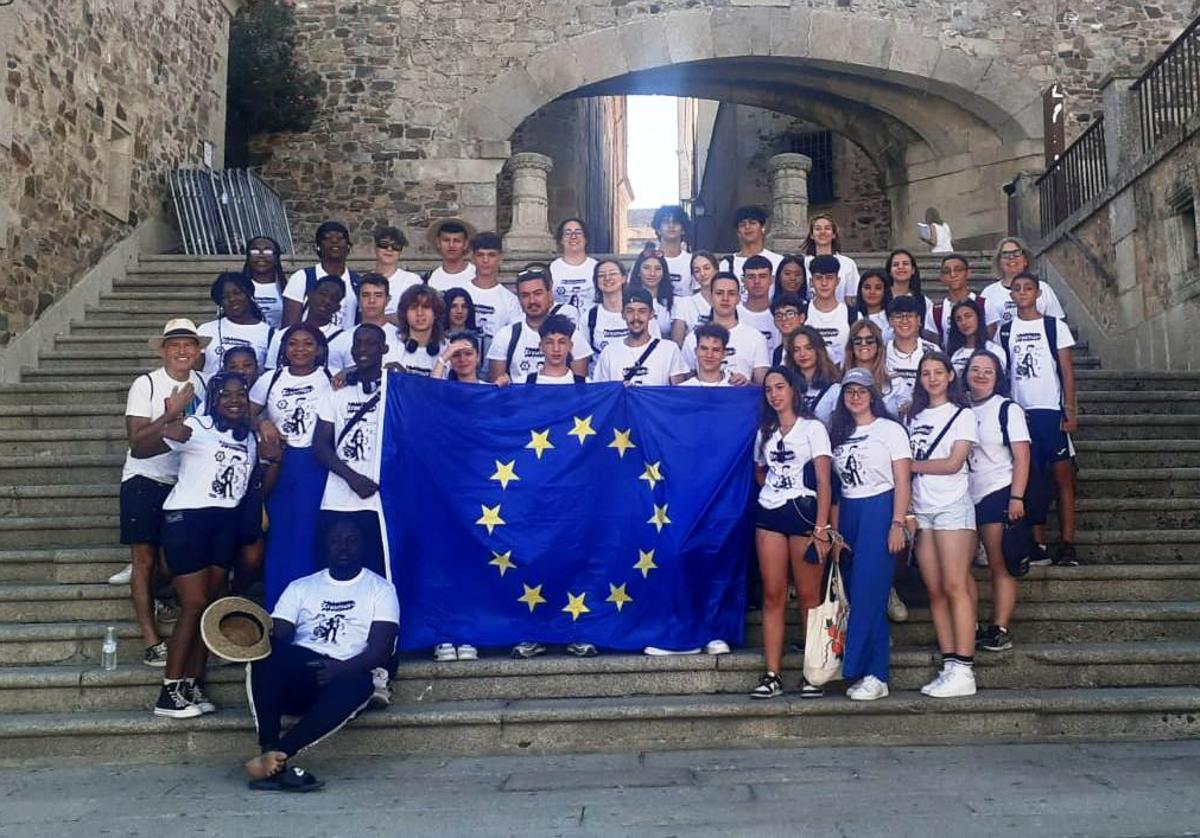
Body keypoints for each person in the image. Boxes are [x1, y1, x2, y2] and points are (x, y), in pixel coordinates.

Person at [132, 372, 276, 718]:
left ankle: (192, 683)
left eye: (240, 395)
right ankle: (169, 691)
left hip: (224, 523)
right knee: (194, 604)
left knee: (210, 606)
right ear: (214, 399)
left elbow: (257, 486)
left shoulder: (249, 438)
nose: (234, 401)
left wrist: (272, 459)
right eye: (226, 395)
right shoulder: (197, 425)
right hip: (188, 521)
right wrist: (168, 420)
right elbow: (139, 447)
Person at [244, 518, 399, 792]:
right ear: (325, 545)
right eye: (337, 540)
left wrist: (340, 669)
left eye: (352, 540)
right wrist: (243, 637)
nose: (344, 547)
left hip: (345, 671)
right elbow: (277, 636)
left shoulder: (381, 589)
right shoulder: (301, 587)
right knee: (266, 656)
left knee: (360, 686)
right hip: (304, 669)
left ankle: (277, 755)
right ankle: (267, 744)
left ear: (362, 546)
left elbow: (381, 649)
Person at [114, 319, 209, 667]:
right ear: (164, 351)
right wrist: (170, 415)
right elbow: (137, 442)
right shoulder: (147, 384)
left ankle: (156, 593)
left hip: (184, 483)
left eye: (189, 345)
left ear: (198, 351)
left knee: (172, 562)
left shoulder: (203, 383)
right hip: (144, 479)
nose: (183, 351)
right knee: (144, 560)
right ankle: (152, 641)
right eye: (175, 345)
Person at [828, 367, 913, 700]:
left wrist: (898, 522)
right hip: (849, 510)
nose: (855, 396)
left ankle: (873, 671)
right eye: (849, 390)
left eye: (861, 390)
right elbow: (835, 486)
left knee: (869, 590)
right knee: (856, 590)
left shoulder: (890, 430)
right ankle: (873, 675)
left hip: (880, 508)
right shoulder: (837, 431)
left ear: (872, 394)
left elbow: (903, 480)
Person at [749, 366, 833, 700]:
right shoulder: (765, 430)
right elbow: (760, 470)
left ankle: (813, 672)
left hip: (804, 513)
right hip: (770, 511)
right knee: (773, 594)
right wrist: (773, 487)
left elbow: (825, 481)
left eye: (780, 387)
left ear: (793, 390)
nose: (774, 394)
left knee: (810, 598)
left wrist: (823, 527)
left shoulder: (813, 428)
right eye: (769, 389)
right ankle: (772, 674)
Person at [908, 352, 979, 698]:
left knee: (955, 585)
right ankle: (950, 662)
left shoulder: (962, 414)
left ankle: (965, 667)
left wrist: (912, 467)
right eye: (926, 373)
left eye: (938, 372)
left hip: (952, 506)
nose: (932, 378)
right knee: (934, 589)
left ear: (951, 376)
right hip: (922, 509)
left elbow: (954, 463)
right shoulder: (913, 415)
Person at [997, 272, 1079, 567]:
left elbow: (1067, 371)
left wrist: (1070, 409)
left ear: (1037, 292)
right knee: (1030, 479)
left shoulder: (1054, 326)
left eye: (1027, 288)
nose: (1022, 293)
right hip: (1021, 413)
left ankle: (1068, 544)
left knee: (1062, 479)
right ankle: (1037, 542)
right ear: (1011, 295)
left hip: (1050, 411)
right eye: (1016, 289)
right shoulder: (1005, 330)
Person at [250, 323, 334, 607]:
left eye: (308, 343)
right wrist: (263, 422)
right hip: (282, 464)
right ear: (284, 348)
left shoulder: (332, 377)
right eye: (293, 343)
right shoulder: (271, 379)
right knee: (282, 537)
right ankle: (280, 610)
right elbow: (246, 414)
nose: (300, 349)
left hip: (319, 463)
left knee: (312, 537)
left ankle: (312, 609)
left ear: (320, 349)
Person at [966, 350, 1032, 653]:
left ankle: (999, 627)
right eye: (975, 369)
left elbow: (1022, 456)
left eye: (987, 371)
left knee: (998, 563)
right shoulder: (960, 408)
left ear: (997, 377)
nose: (980, 375)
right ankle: (971, 623)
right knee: (960, 565)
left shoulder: (1007, 409)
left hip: (998, 490)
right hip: (964, 494)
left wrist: (1017, 497)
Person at [314, 324, 389, 579]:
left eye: (371, 343)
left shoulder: (397, 391)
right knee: (334, 571)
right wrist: (352, 478)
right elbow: (320, 445)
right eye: (358, 343)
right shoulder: (336, 392)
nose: (363, 349)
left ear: (384, 349)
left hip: (380, 502)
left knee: (378, 572)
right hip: (338, 499)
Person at [488, 266, 590, 384]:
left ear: (550, 294)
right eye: (525, 295)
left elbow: (581, 390)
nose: (532, 301)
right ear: (519, 299)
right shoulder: (505, 336)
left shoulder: (572, 336)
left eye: (538, 293)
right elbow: (497, 389)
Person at [223, 348, 265, 597]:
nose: (241, 371)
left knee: (253, 555)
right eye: (234, 366)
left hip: (259, 487)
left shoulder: (269, 393)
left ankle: (235, 596)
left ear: (257, 368)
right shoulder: (215, 400)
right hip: (221, 491)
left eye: (247, 365)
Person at [681, 273, 769, 385]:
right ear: (711, 297)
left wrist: (747, 385)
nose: (725, 298)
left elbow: (763, 389)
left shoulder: (756, 338)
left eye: (731, 294)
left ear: (739, 298)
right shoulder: (692, 338)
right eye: (719, 293)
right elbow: (687, 386)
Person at [592, 288, 689, 386]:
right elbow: (602, 394)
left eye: (642, 311)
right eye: (630, 311)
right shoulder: (609, 353)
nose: (636, 317)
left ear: (651, 314)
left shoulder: (669, 350)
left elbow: (678, 395)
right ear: (623, 315)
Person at [456, 231, 522, 360]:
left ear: (500, 258)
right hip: (460, 361)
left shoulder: (510, 300)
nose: (485, 260)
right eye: (480, 255)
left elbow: (514, 338)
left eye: (491, 255)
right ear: (472, 258)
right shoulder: (460, 292)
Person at [281, 221, 358, 329]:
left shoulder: (357, 282)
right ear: (318, 246)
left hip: (345, 344)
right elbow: (289, 326)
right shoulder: (302, 278)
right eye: (327, 238)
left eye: (340, 238)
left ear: (348, 247)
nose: (334, 241)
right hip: (308, 343)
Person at [980, 237, 1067, 332]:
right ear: (999, 263)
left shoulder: (1043, 288)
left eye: (1016, 253)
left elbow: (1058, 324)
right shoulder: (988, 292)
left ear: (1025, 260)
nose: (1011, 257)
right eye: (1005, 254)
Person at [197, 273, 273, 377]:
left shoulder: (270, 334)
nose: (232, 299)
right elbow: (196, 370)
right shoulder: (206, 330)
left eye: (237, 293)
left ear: (249, 294)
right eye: (225, 297)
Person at [265, 277, 348, 371]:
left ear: (338, 307)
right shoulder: (281, 335)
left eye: (334, 298)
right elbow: (270, 373)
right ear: (310, 295)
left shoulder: (345, 340)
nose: (327, 300)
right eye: (323, 294)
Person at [584, 259, 662, 359]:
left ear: (624, 278)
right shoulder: (589, 316)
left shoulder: (642, 312)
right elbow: (583, 357)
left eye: (613, 274)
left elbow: (657, 350)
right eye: (601, 275)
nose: (607, 278)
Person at [327, 274, 404, 371]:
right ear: (358, 300)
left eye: (378, 295)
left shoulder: (401, 337)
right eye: (366, 295)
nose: (372, 301)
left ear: (387, 300)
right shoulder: (341, 340)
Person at [884, 295, 939, 419]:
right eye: (898, 316)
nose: (904, 321)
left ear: (919, 320)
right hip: (889, 420)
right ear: (890, 321)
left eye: (909, 316)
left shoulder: (932, 351)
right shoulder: (881, 353)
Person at [926, 254, 996, 347]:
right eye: (947, 271)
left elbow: (990, 339)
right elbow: (935, 347)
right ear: (942, 277)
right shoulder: (935, 312)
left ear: (968, 273)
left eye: (958, 270)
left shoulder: (984, 304)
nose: (953, 275)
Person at [843, 319, 906, 422]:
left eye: (869, 340)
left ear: (879, 345)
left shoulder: (896, 382)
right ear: (851, 346)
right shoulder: (839, 382)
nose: (863, 344)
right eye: (858, 341)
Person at [803, 254, 857, 366]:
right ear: (811, 281)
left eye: (829, 278)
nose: (824, 283)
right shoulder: (802, 313)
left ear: (837, 281)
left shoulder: (853, 315)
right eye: (818, 278)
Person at [783, 325, 841, 426]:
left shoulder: (835, 389)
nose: (802, 354)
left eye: (808, 348)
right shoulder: (786, 386)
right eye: (797, 350)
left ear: (818, 350)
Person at [388, 284, 446, 376]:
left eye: (426, 307)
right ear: (405, 314)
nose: (420, 313)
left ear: (436, 313)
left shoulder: (447, 352)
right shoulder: (392, 350)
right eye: (413, 308)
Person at [802, 214, 858, 303]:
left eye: (827, 228)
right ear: (811, 235)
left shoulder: (848, 264)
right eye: (818, 229)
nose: (822, 232)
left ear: (834, 235)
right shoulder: (803, 263)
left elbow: (851, 297)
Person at [370, 226, 421, 320]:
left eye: (396, 247)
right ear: (375, 247)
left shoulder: (412, 281)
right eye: (384, 245)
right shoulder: (364, 281)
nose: (389, 249)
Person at [946, 300, 1006, 378]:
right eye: (958, 319)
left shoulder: (994, 350)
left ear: (978, 317)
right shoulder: (955, 353)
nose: (964, 322)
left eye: (968, 316)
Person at [629, 250, 681, 340]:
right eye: (646, 268)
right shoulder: (627, 300)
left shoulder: (675, 302)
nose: (652, 273)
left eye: (657, 269)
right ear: (638, 272)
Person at [719, 206, 783, 278]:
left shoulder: (778, 261)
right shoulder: (726, 265)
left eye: (752, 223)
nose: (747, 227)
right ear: (738, 232)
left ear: (763, 227)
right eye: (743, 224)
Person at [738, 255, 782, 357]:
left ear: (772, 280)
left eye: (762, 276)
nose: (757, 281)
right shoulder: (734, 314)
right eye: (751, 277)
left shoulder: (780, 315)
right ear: (743, 280)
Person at [523, 315, 588, 384]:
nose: (556, 349)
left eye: (562, 342)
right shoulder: (522, 382)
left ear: (570, 346)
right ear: (541, 346)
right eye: (549, 342)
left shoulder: (586, 385)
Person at [549, 218, 597, 309]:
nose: (573, 236)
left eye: (578, 232)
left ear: (585, 239)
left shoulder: (596, 267)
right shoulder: (552, 269)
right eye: (567, 233)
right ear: (561, 240)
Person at [241, 235, 288, 328]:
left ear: (276, 257)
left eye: (268, 251)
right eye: (255, 251)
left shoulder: (288, 288)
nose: (261, 255)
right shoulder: (239, 287)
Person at [652, 205, 695, 297]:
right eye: (666, 222)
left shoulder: (692, 261)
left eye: (675, 222)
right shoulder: (647, 259)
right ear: (658, 230)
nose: (671, 225)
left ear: (683, 230)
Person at [674, 251, 720, 335]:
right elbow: (678, 342)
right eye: (697, 270)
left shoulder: (728, 300)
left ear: (716, 270)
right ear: (693, 275)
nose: (702, 273)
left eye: (706, 268)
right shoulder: (685, 304)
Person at [425, 218, 477, 291]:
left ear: (465, 244)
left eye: (457, 241)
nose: (451, 245)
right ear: (438, 243)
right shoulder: (429, 278)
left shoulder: (477, 275)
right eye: (446, 240)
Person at [885, 249, 931, 323]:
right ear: (890, 271)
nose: (900, 267)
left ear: (913, 270)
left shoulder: (924, 301)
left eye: (905, 264)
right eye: (896, 265)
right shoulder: (880, 297)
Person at [853, 269, 893, 343]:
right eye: (867, 287)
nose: (872, 292)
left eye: (878, 288)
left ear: (885, 291)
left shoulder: (893, 317)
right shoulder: (852, 316)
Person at [769, 293, 807, 366]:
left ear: (802, 318)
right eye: (779, 315)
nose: (784, 319)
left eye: (790, 314)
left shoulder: (812, 347)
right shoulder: (777, 353)